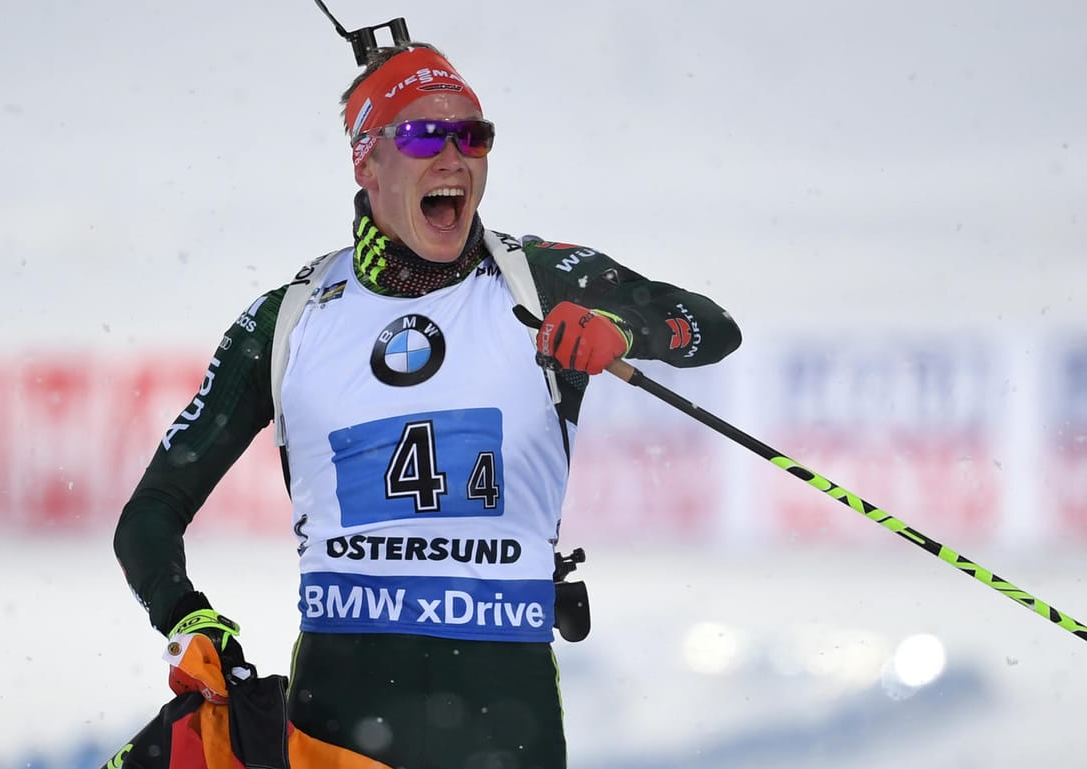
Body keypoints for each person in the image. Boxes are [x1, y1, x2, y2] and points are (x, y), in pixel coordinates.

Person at [115, 41, 742, 769]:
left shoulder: (536, 278)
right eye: (422, 135)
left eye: (473, 136)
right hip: (336, 732)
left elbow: (709, 326)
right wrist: (186, 617)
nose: (454, 156)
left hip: (504, 729)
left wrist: (624, 329)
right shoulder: (288, 319)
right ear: (365, 161)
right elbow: (150, 513)